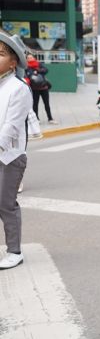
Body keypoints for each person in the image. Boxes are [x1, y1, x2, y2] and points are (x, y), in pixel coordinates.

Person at [0, 33, 32, 269]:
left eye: (1, 54)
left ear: (13, 63)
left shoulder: (18, 89)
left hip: (9, 156)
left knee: (5, 203)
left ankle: (14, 251)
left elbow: (10, 127)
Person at [25, 53, 57, 124]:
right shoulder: (26, 67)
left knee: (47, 104)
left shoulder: (39, 64)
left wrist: (37, 70)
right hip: (34, 88)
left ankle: (50, 118)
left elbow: (46, 70)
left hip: (44, 88)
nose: (30, 59)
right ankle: (36, 119)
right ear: (26, 59)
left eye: (31, 57)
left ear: (34, 58)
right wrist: (33, 73)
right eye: (28, 58)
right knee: (35, 104)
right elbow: (28, 75)